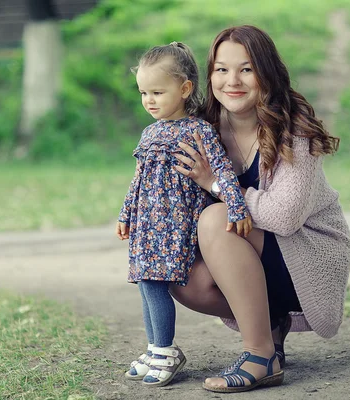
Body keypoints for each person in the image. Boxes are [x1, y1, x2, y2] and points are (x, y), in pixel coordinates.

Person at [170, 25, 350, 393]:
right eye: (221, 69)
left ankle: (260, 355)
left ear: (266, 72)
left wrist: (216, 184)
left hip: (306, 255)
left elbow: (284, 217)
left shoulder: (293, 130)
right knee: (176, 271)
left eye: (246, 69)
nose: (232, 80)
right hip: (252, 257)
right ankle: (269, 328)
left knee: (217, 217)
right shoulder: (203, 131)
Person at [115, 41, 252, 387]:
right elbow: (138, 181)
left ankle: (166, 350)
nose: (149, 100)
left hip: (177, 227)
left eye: (158, 92)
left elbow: (222, 171)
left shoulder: (198, 130)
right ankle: (154, 347)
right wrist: (125, 214)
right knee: (145, 283)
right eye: (144, 92)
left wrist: (236, 206)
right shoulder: (149, 134)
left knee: (157, 283)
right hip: (147, 226)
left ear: (185, 88)